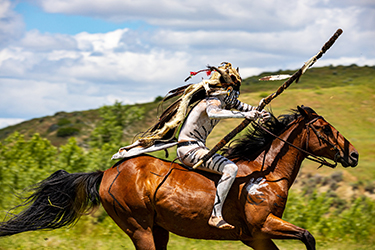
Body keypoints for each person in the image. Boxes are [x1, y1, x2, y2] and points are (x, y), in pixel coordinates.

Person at [113, 62, 270, 230]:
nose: (237, 95)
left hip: (196, 147)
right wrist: (246, 114)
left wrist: (260, 111)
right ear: (226, 88)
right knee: (230, 169)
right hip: (189, 150)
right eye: (235, 89)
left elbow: (247, 108)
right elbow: (213, 113)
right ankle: (215, 216)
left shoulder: (224, 101)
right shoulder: (212, 102)